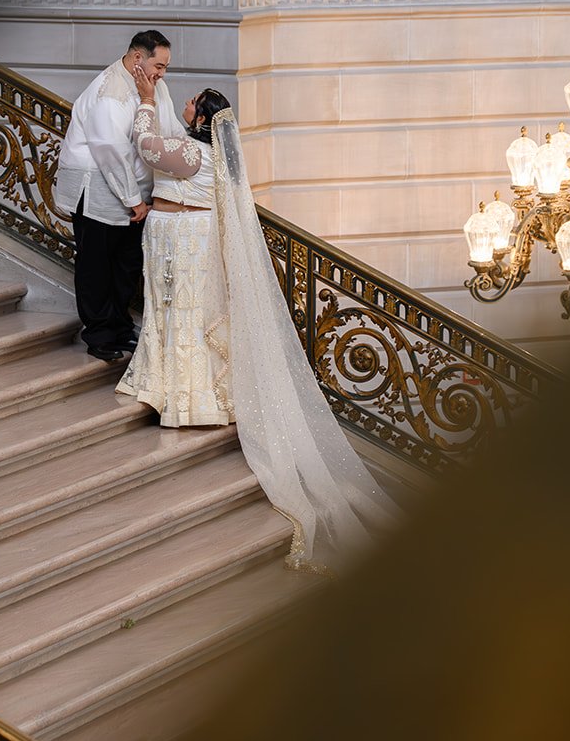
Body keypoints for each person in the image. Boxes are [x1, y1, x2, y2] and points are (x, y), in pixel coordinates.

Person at [117, 72, 398, 575]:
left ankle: (186, 399)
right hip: (174, 233)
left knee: (181, 317)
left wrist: (143, 100)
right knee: (171, 315)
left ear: (203, 118)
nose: (182, 101)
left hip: (183, 238)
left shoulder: (192, 155)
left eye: (192, 102)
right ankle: (169, 383)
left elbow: (143, 144)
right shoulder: (202, 150)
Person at [53, 29, 180, 362]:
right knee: (97, 263)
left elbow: (168, 129)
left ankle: (121, 325)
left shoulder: (155, 87)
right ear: (137, 58)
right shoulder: (109, 91)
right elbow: (110, 150)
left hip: (132, 189)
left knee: (126, 262)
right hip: (94, 186)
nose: (163, 73)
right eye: (160, 65)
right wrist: (133, 200)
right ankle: (99, 334)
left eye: (166, 67)